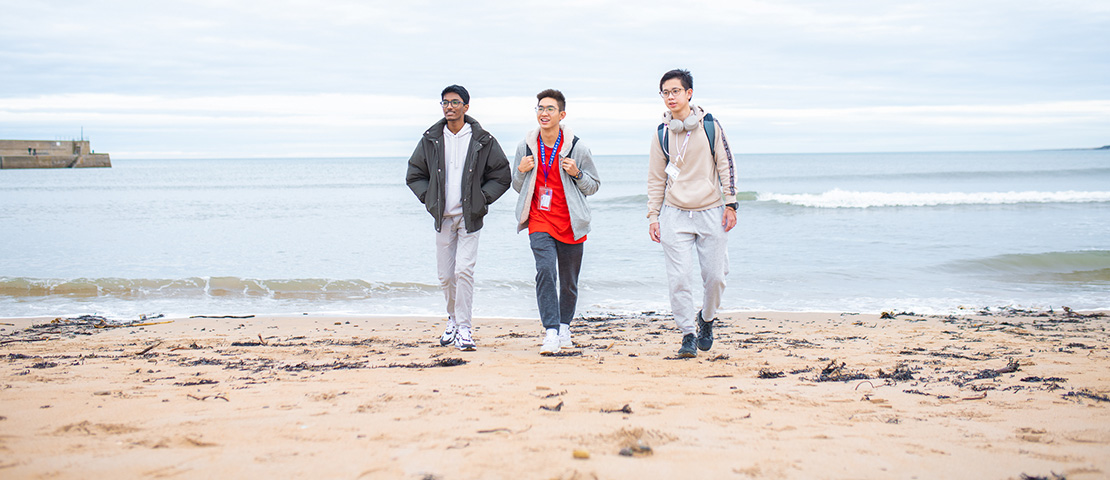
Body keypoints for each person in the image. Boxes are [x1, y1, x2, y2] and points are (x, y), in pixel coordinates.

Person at [406, 85, 512, 351]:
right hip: (442, 217)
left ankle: (465, 328)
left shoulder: (482, 140)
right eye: (445, 102)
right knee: (445, 276)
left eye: (455, 102)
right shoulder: (431, 138)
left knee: (463, 270)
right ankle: (452, 319)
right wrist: (429, 199)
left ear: (466, 106)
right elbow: (414, 174)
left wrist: (482, 199)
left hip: (470, 217)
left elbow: (502, 175)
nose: (449, 107)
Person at [646, 69, 738, 358]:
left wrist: (731, 204)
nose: (670, 97)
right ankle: (687, 333)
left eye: (675, 91)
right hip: (674, 214)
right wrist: (653, 216)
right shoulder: (661, 133)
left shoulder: (710, 126)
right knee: (679, 277)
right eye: (665, 92)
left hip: (711, 210)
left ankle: (707, 319)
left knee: (715, 275)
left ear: (689, 93)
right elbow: (655, 178)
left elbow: (726, 164)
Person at [512, 89, 600, 355]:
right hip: (539, 220)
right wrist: (520, 171)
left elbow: (593, 186)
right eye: (540, 108)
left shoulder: (577, 147)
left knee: (569, 281)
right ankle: (550, 331)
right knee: (546, 271)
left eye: (550, 109)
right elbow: (518, 186)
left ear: (562, 115)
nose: (544, 113)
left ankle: (564, 327)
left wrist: (577, 173)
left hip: (571, 224)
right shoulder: (525, 146)